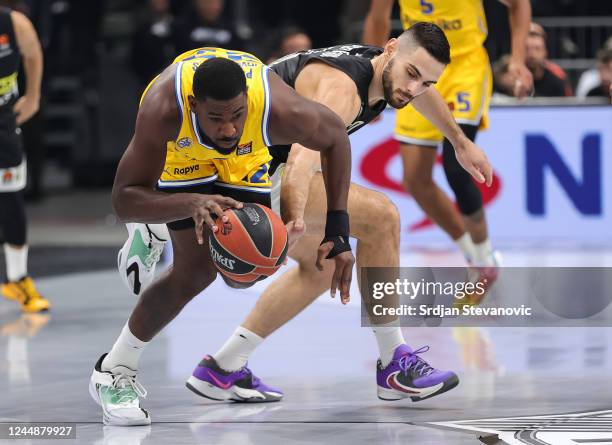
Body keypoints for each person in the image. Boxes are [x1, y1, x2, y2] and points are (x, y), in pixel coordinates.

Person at [118, 24, 493, 406]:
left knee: (323, 268)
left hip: (240, 158)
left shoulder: (385, 65)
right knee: (382, 218)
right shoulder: (343, 90)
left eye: (426, 82)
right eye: (413, 75)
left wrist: (460, 142)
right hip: (262, 167)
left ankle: (223, 367)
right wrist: (295, 218)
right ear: (392, 49)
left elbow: (420, 93)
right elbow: (301, 160)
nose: (414, 90)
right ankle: (393, 362)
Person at [89, 47, 356, 426]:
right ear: (195, 105)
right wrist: (192, 202)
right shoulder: (164, 110)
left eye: (236, 115)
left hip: (244, 160)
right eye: (216, 118)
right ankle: (114, 369)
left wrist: (339, 230)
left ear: (247, 101)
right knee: (195, 272)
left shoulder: (276, 109)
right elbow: (123, 200)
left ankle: (164, 218)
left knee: (249, 267)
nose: (228, 128)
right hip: (181, 157)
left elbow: (336, 139)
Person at [362, 0, 533, 279]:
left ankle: (484, 251)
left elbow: (519, 4)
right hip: (415, 67)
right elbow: (377, 18)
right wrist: (370, 79)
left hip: (465, 67)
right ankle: (476, 257)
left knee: (457, 166)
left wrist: (517, 59)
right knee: (415, 179)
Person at [0, 6, 48, 313]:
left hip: (3, 123)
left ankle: (17, 279)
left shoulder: (14, 24)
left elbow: (32, 54)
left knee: (11, 199)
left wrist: (32, 96)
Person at [525, 23, 572, 97]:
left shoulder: (557, 77)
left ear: (545, 52)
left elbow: (568, 105)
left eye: (537, 49)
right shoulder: (509, 74)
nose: (531, 54)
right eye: (526, 49)